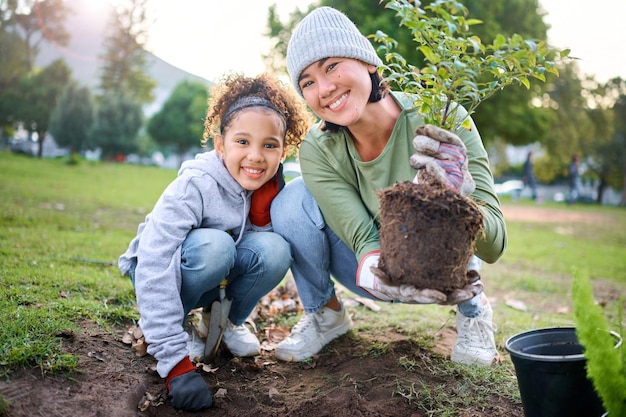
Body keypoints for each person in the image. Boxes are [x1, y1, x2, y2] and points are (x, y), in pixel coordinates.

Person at [270, 7, 507, 367]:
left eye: (331, 66)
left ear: (367, 60)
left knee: (449, 205)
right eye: (307, 82)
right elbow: (363, 238)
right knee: (291, 200)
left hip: (442, 269)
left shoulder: (445, 119)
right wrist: (375, 271)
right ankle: (326, 315)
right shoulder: (318, 149)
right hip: (373, 269)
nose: (325, 88)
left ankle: (473, 315)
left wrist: (459, 197)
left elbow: (496, 245)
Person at [118, 73, 311, 411]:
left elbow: (256, 255)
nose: (255, 156)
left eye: (269, 145)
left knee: (276, 250)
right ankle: (170, 327)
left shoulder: (268, 189)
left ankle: (221, 323)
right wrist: (175, 362)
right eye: (242, 142)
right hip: (159, 272)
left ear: (283, 151)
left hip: (213, 273)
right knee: (216, 247)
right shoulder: (195, 185)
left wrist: (265, 212)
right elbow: (154, 259)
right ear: (220, 145)